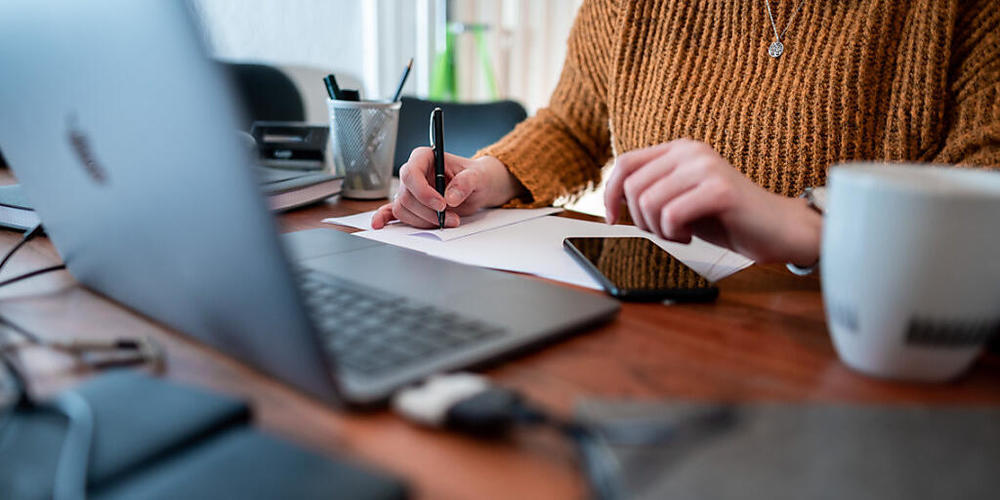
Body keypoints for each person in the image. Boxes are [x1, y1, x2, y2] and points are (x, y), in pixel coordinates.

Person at [372, 0, 1000, 271]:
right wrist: (485, 176)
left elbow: (985, 189)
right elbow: (573, 123)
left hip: (858, 354)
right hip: (663, 327)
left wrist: (811, 227)